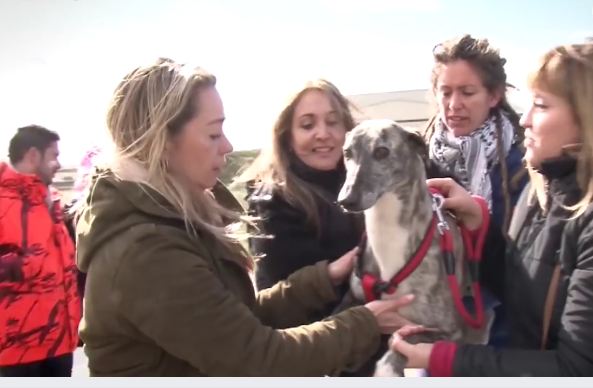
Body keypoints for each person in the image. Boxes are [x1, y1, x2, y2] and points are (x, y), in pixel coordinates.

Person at [75, 58, 413, 376]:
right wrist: (365, 324)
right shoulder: (146, 251)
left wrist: (324, 279)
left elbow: (234, 319)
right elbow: (256, 358)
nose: (227, 145)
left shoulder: (168, 225)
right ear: (162, 141)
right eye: (213, 133)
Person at [392, 43, 593, 376]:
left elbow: (577, 370)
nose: (526, 119)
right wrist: (478, 229)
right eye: (445, 92)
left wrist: (442, 359)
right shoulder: (540, 189)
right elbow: (519, 285)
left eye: (541, 105)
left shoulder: (523, 175)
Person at [241, 79, 363, 295]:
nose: (323, 134)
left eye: (333, 122)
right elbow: (284, 298)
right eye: (307, 125)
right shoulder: (272, 203)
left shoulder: (360, 187)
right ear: (287, 136)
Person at [424, 34, 528, 233]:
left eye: (467, 92)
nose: (454, 105)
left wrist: (478, 220)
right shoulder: (418, 159)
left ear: (494, 96)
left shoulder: (521, 166)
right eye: (446, 93)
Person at [0, 125, 81, 377]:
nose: (58, 163)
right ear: (33, 155)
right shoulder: (4, 203)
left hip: (60, 346)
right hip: (18, 353)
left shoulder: (50, 202)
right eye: (53, 156)